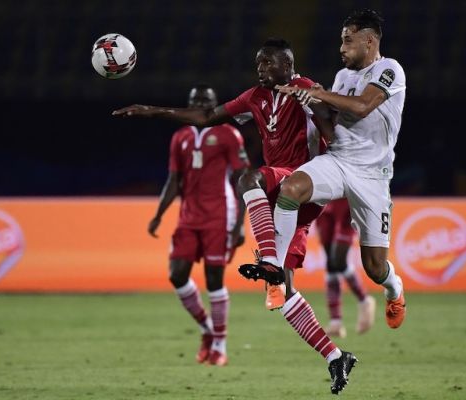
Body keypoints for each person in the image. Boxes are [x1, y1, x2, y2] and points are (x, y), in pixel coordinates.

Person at [113, 39, 356, 395]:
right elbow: (208, 117)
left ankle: (268, 258)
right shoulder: (255, 96)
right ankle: (336, 356)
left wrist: (319, 110)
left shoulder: (305, 89)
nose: (261, 69)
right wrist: (153, 110)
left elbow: (335, 134)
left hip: (305, 180)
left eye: (268, 62)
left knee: (249, 177)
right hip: (285, 200)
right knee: (283, 293)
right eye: (258, 63)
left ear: (288, 64)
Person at [272, 9, 407, 332]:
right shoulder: (342, 77)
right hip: (338, 160)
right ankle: (274, 269)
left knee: (374, 267)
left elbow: (361, 107)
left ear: (369, 41)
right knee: (290, 189)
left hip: (372, 176)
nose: (341, 48)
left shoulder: (390, 70)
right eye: (341, 41)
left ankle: (394, 290)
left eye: (348, 41)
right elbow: (333, 124)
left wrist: (318, 93)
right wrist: (309, 100)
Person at [145, 85, 250, 366]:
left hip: (220, 216)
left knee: (214, 280)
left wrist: (240, 224)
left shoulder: (229, 135)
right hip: (188, 217)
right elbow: (174, 181)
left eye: (206, 101)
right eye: (195, 101)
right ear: (188, 105)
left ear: (216, 105)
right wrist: (159, 214)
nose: (201, 104)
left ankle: (220, 344)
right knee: (177, 274)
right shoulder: (180, 137)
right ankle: (207, 328)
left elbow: (243, 181)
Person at [316, 198, 376, 338]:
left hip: (347, 200)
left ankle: (364, 300)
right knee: (331, 263)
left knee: (339, 260)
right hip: (323, 199)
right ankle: (335, 322)